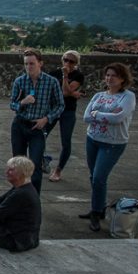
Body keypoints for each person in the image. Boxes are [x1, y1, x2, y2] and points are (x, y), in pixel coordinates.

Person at [82, 63, 136, 232]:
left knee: (99, 177)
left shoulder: (128, 97)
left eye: (114, 75)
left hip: (113, 143)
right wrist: (106, 115)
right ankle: (97, 207)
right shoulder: (99, 95)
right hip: (92, 139)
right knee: (94, 176)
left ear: (122, 78)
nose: (109, 78)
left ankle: (97, 212)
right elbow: (86, 117)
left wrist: (97, 114)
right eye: (107, 75)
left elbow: (118, 118)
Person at [9, 48, 63, 193]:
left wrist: (47, 119)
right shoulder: (20, 81)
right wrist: (23, 102)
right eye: (26, 64)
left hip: (37, 127)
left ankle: (33, 199)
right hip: (20, 125)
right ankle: (17, 197)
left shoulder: (51, 82)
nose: (28, 67)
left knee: (35, 166)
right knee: (17, 165)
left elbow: (60, 105)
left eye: (32, 63)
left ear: (40, 63)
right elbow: (12, 104)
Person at [47, 50, 84, 182]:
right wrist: (73, 93)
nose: (68, 63)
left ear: (76, 63)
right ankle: (42, 160)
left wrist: (65, 76)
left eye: (71, 61)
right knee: (41, 135)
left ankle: (58, 170)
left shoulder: (78, 75)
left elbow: (64, 92)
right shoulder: (53, 73)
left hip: (68, 110)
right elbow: (49, 91)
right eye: (66, 60)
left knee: (66, 141)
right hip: (53, 108)